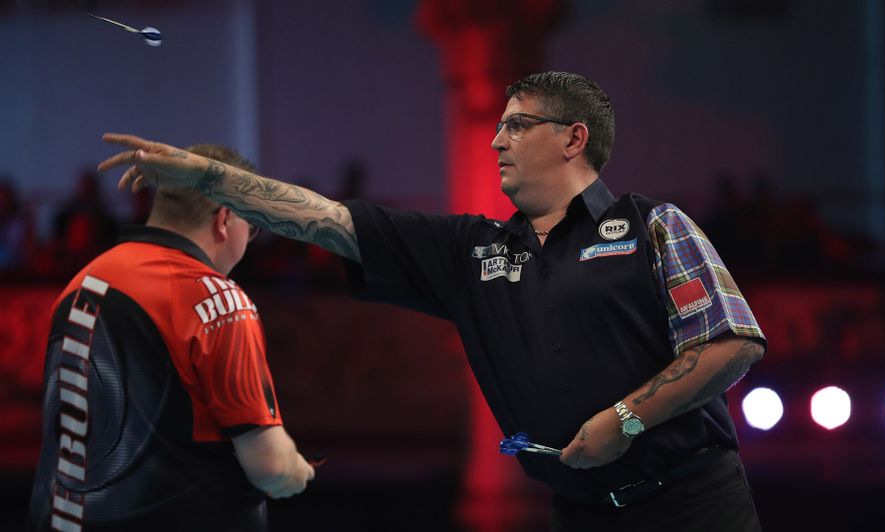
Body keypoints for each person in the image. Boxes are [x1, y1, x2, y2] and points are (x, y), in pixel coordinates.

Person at [98, 71, 766, 531]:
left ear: (573, 138)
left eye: (517, 126)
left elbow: (732, 341)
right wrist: (211, 178)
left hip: (693, 503)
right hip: (578, 510)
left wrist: (623, 420)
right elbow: (323, 219)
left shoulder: (653, 224)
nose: (496, 140)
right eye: (498, 126)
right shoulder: (469, 251)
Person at [28, 145, 314, 532]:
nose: (249, 241)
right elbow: (271, 467)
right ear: (225, 220)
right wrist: (297, 470)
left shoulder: (80, 283)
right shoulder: (218, 299)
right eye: (253, 225)